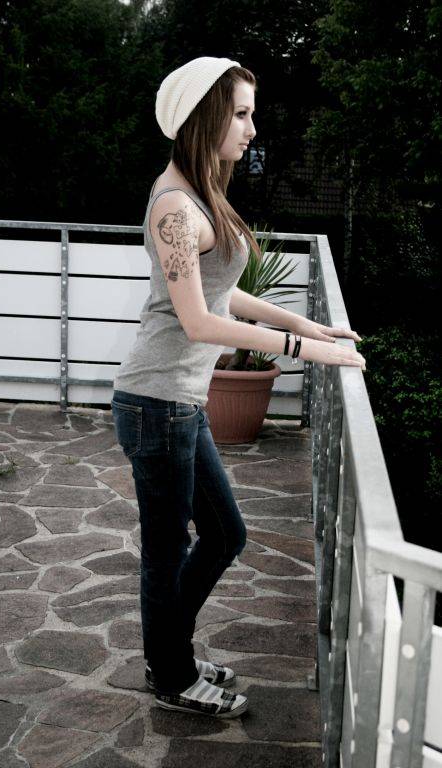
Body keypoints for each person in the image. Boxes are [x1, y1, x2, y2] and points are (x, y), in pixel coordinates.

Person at [111, 56, 365, 719]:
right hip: (157, 402)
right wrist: (304, 352)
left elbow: (223, 290)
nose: (252, 129)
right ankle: (172, 673)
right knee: (168, 553)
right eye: (242, 114)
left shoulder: (198, 193)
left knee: (224, 535)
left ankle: (169, 651)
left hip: (179, 403)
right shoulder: (174, 207)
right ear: (206, 118)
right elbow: (199, 322)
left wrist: (306, 323)